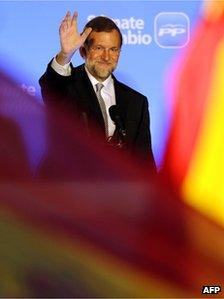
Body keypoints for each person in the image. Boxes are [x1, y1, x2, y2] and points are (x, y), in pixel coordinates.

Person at [39, 11, 156, 170]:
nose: (106, 57)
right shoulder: (66, 87)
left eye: (113, 49)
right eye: (99, 48)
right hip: (68, 188)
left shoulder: (136, 102)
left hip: (116, 192)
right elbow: (52, 85)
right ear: (83, 51)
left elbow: (144, 163)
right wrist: (65, 54)